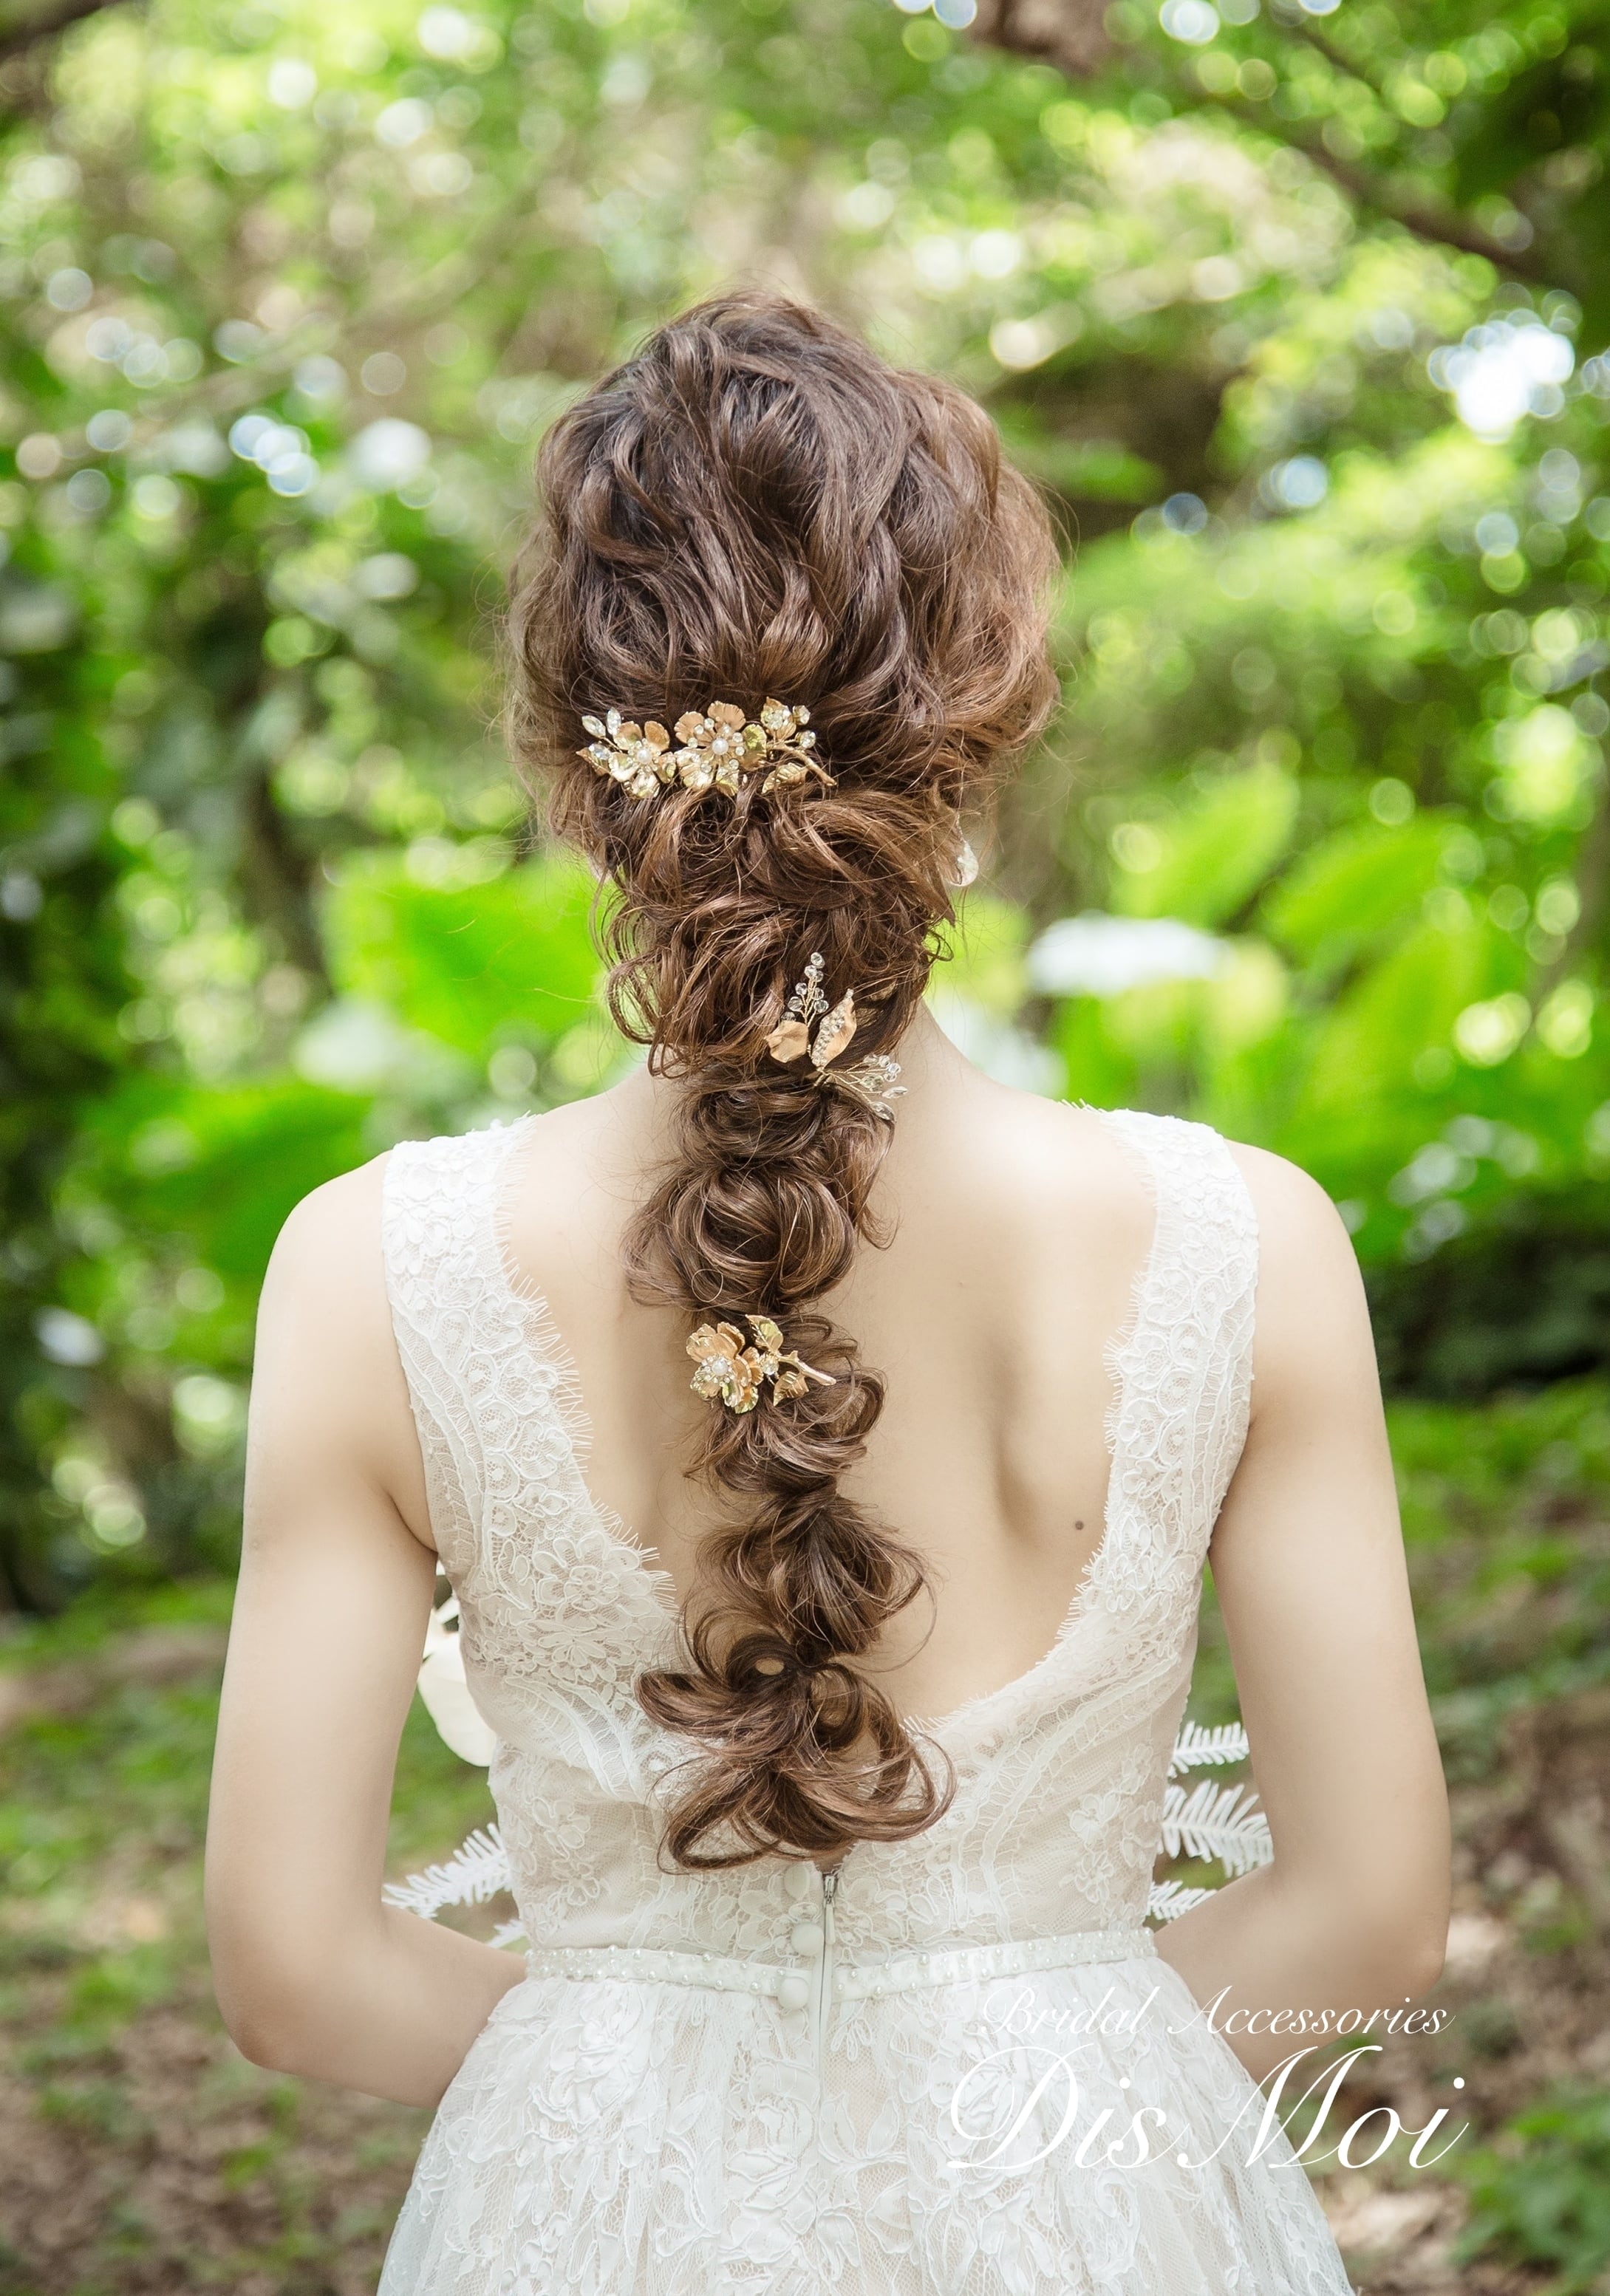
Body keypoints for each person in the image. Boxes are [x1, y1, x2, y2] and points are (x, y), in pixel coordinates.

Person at [205, 293, 1450, 2292]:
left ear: (572, 748)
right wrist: (1035, 2083)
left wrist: (647, 2087)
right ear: (980, 707)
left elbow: (293, 1968)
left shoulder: (373, 1270)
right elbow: (1372, 1911)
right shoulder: (1244, 1241)